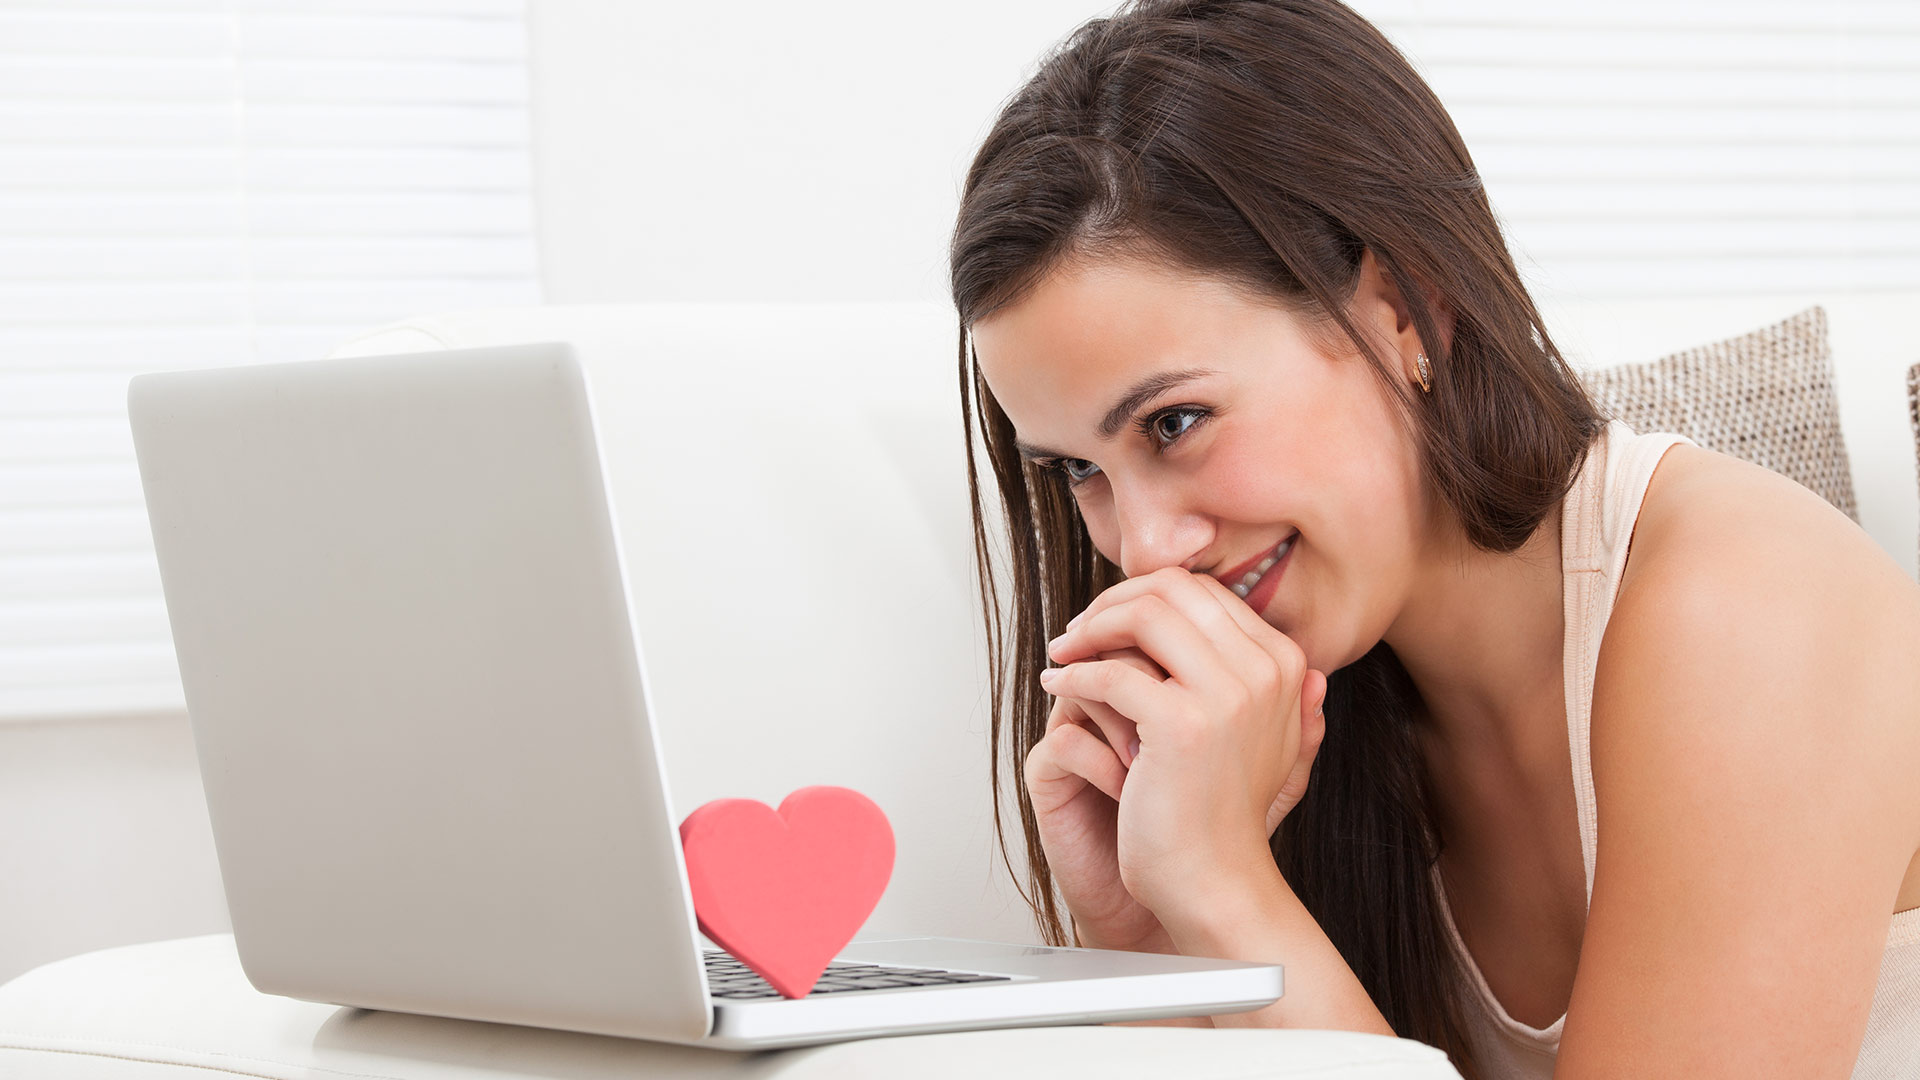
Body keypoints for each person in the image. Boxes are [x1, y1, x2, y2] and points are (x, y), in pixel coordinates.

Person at [945, 2, 1920, 1077]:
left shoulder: (1750, 607)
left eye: (1175, 424)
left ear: (1405, 309)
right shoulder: (1306, 729)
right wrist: (1155, 937)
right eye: (1079, 470)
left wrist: (1225, 891)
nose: (1145, 550)